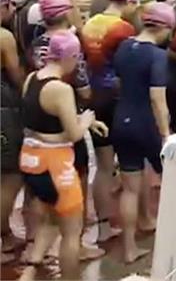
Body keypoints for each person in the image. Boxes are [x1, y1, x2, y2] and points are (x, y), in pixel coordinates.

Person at [19, 32, 107, 280]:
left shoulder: (31, 79)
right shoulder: (61, 89)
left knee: (49, 219)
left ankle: (29, 272)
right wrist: (86, 120)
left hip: (31, 161)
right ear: (70, 57)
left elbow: (37, 125)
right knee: (71, 232)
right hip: (56, 167)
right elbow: (74, 134)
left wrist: (81, 124)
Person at [111, 2, 175, 263]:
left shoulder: (124, 47)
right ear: (166, 28)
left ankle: (129, 247)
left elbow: (119, 82)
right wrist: (166, 134)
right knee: (172, 180)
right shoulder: (157, 56)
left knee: (130, 188)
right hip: (145, 124)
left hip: (121, 120)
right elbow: (157, 98)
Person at [81, 0, 140, 242]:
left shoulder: (89, 24)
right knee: (129, 163)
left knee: (103, 166)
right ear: (127, 1)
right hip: (117, 97)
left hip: (95, 97)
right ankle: (138, 219)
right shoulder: (123, 29)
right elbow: (130, 66)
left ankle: (103, 227)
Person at [0, 0, 26, 261]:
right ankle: (2, 239)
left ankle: (5, 231)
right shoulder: (3, 37)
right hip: (2, 110)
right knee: (9, 175)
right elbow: (16, 76)